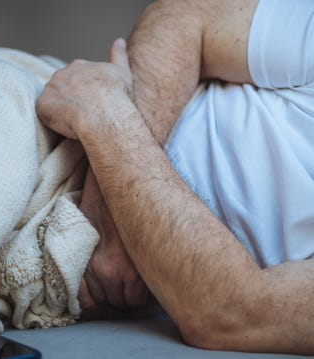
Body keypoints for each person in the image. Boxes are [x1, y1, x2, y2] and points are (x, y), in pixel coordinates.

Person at [36, 0, 314, 354]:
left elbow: (238, 315)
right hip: (75, 121)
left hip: (101, 114)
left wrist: (108, 117)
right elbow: (184, 14)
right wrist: (111, 226)